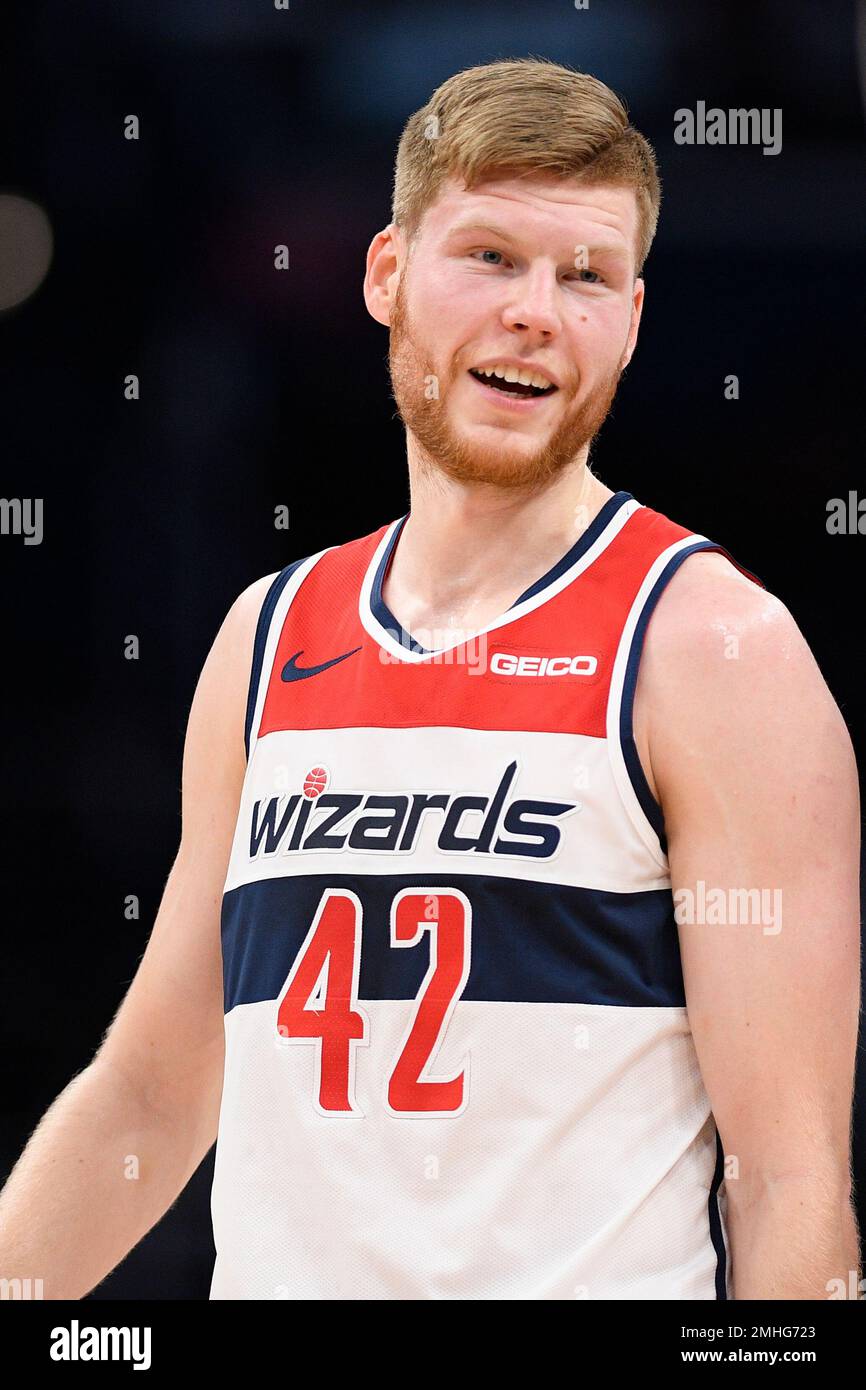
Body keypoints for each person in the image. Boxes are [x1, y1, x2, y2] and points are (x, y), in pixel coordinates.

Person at [0, 58, 859, 1301]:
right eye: (491, 258)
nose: (536, 313)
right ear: (385, 276)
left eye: (586, 276)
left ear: (630, 317)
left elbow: (785, 1178)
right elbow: (151, 1094)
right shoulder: (268, 634)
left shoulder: (711, 649)